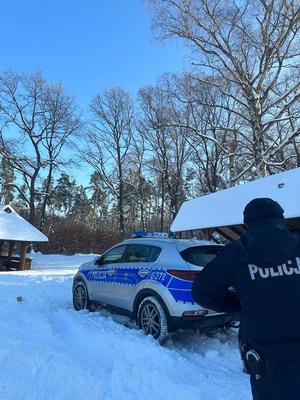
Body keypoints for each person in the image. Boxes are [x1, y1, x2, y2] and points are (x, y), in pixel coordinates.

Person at [192, 198, 300, 400]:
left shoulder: (238, 251)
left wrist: (238, 306)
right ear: (281, 217)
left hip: (268, 361)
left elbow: (201, 290)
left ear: (247, 224)